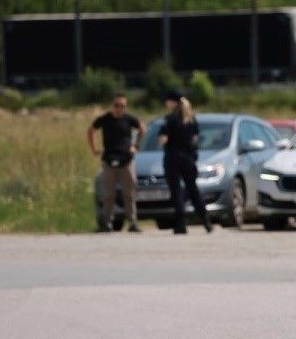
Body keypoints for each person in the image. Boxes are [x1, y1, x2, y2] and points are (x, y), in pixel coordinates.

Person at [157, 91, 213, 235]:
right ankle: (206, 220)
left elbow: (163, 139)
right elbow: (195, 139)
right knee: (193, 189)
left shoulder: (170, 119)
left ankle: (181, 224)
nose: (166, 104)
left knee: (176, 191)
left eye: (168, 101)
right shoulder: (191, 118)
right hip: (188, 159)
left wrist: (162, 140)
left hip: (173, 158)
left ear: (174, 102)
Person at [88, 92, 144, 233]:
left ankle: (132, 222)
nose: (119, 108)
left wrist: (135, 146)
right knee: (108, 194)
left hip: (126, 160)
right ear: (111, 105)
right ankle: (106, 223)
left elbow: (142, 129)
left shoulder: (129, 119)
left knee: (129, 193)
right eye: (117, 105)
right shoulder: (104, 119)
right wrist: (94, 149)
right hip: (109, 160)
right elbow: (91, 130)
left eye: (122, 106)